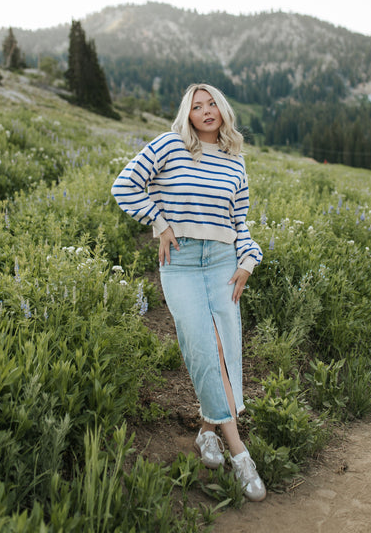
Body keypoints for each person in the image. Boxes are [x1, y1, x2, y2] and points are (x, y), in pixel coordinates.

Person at [111, 83, 266, 501]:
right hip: (179, 264)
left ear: (223, 109)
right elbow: (124, 187)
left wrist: (248, 260)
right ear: (188, 114)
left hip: (222, 264)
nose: (206, 110)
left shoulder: (235, 162)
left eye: (212, 102)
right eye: (197, 106)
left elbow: (241, 223)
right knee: (203, 347)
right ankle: (240, 454)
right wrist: (159, 223)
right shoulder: (170, 145)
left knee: (223, 351)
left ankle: (206, 433)